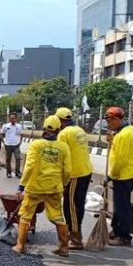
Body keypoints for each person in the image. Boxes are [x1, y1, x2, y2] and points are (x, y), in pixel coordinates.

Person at [13, 115, 71, 257]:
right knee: (58, 216)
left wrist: (21, 186)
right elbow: (68, 170)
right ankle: (64, 248)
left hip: (35, 188)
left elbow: (30, 166)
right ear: (59, 130)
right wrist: (63, 184)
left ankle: (20, 246)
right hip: (54, 188)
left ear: (44, 128)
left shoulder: (36, 145)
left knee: (26, 216)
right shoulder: (63, 147)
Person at [103, 106, 133, 246]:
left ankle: (124, 237)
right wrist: (112, 142)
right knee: (120, 205)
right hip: (132, 173)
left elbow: (120, 160)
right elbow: (125, 149)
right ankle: (117, 229)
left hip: (123, 176)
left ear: (115, 119)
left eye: (109, 121)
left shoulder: (123, 135)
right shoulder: (132, 130)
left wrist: (109, 176)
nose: (108, 124)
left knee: (122, 207)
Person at [56, 107, 93, 250]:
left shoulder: (64, 134)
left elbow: (60, 157)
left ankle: (76, 238)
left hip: (74, 174)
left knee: (70, 207)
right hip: (86, 171)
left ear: (61, 121)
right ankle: (76, 234)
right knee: (78, 205)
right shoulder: (80, 130)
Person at [0, 113, 23, 178]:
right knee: (8, 159)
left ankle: (17, 172)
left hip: (16, 145)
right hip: (8, 145)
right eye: (11, 118)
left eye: (14, 118)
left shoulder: (19, 126)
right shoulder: (6, 126)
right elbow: (1, 134)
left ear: (16, 118)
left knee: (18, 158)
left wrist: (20, 142)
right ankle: (8, 173)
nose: (12, 119)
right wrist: (3, 142)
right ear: (9, 118)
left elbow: (21, 134)